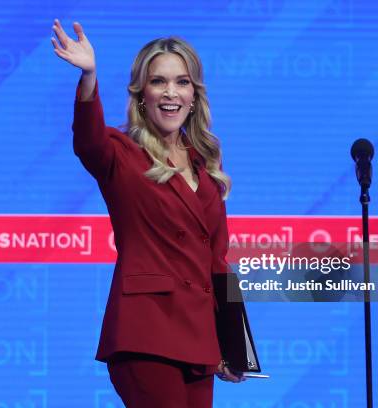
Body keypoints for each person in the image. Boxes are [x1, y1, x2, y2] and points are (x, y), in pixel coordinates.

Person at [51, 19, 245, 407]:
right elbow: (88, 140)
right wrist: (89, 75)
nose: (171, 93)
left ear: (194, 95)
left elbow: (217, 258)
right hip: (147, 333)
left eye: (182, 82)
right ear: (142, 94)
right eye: (159, 82)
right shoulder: (122, 154)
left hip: (199, 340)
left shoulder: (205, 165)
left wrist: (235, 343)